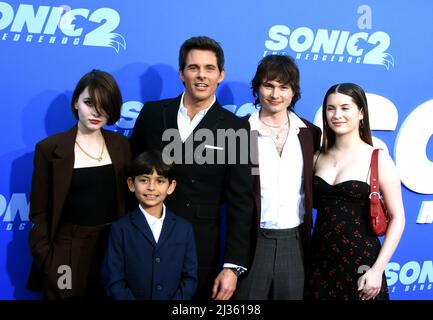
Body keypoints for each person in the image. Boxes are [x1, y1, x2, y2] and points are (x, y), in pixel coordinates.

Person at [129, 36, 255, 300]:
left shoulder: (236, 128)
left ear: (221, 75)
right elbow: (129, 175)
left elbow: (242, 202)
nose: (201, 75)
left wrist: (232, 266)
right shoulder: (152, 114)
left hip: (199, 248)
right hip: (144, 239)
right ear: (181, 73)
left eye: (209, 68)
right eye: (193, 67)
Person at [26, 69, 131, 299]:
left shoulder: (122, 146)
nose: (96, 111)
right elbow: (39, 211)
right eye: (89, 102)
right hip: (66, 249)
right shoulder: (49, 149)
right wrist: (48, 259)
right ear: (76, 103)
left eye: (104, 104)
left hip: (111, 248)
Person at [304, 83, 405, 300]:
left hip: (362, 266)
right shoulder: (316, 157)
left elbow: (398, 218)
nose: (337, 115)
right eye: (330, 108)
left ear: (361, 113)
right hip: (318, 262)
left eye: (345, 108)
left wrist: (378, 269)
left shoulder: (378, 159)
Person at [234, 54, 321, 300]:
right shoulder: (240, 131)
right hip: (252, 240)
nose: (275, 94)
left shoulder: (309, 133)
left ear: (294, 92)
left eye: (284, 87)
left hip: (295, 241)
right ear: (257, 87)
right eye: (268, 85)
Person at [101, 151, 197, 300]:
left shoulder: (184, 229)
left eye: (159, 181)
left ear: (171, 187)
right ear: (131, 184)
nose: (151, 187)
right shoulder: (120, 229)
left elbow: (189, 278)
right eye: (144, 180)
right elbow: (114, 282)